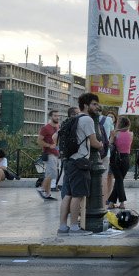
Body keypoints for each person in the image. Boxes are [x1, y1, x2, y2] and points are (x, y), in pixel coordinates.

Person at [58, 93, 102, 235]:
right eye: (94, 104)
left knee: (68, 195)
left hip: (69, 161)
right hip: (80, 162)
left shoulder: (73, 119)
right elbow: (94, 142)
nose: (96, 107)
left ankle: (63, 227)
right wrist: (101, 145)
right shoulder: (87, 120)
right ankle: (74, 227)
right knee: (78, 195)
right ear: (86, 105)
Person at [107, 116, 132, 209]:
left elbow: (110, 144)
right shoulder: (131, 134)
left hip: (115, 159)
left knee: (119, 180)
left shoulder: (115, 133)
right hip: (126, 159)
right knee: (119, 180)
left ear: (120, 124)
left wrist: (112, 136)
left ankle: (122, 203)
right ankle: (112, 202)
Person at [36, 109, 60, 200]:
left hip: (56, 153)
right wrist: (49, 145)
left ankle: (47, 194)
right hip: (49, 153)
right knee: (52, 173)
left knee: (49, 174)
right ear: (51, 117)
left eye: (58, 116)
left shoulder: (58, 127)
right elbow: (39, 141)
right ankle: (41, 189)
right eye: (55, 116)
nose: (57, 117)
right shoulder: (45, 128)